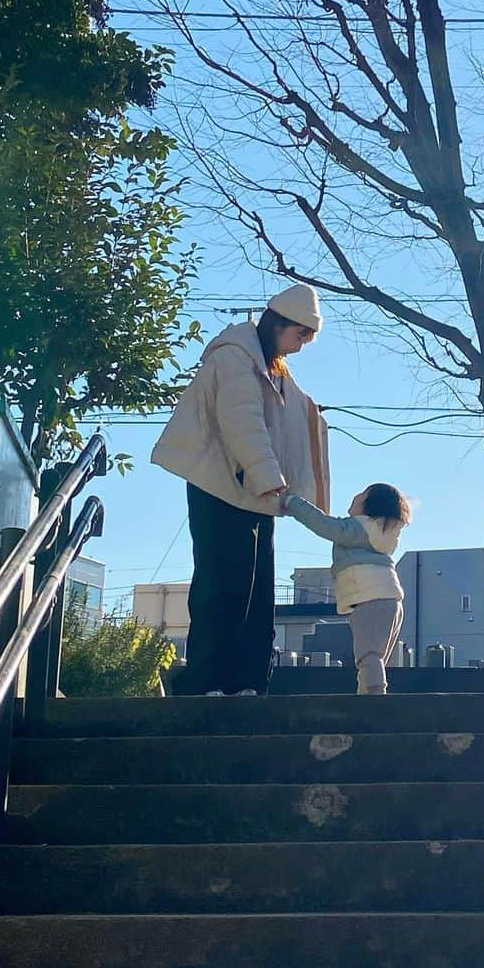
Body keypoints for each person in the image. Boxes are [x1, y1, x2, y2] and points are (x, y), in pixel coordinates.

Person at [151, 284, 330, 696]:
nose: (300, 347)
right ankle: (210, 680)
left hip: (250, 489)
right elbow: (242, 422)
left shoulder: (263, 363)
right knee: (224, 584)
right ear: (279, 323)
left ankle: (246, 681)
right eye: (299, 335)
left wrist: (269, 482)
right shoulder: (235, 357)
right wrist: (269, 477)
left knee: (254, 589)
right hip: (224, 485)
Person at [282, 483, 410, 695]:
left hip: (368, 598)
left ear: (370, 505)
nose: (356, 495)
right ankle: (366, 695)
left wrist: (292, 502)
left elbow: (323, 524)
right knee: (375, 658)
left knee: (368, 656)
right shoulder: (381, 535)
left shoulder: (358, 527)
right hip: (391, 600)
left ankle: (376, 699)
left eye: (363, 493)